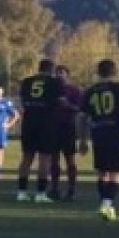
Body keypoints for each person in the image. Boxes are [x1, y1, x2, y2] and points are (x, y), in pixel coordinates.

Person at [76, 58, 119, 221]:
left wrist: (82, 140)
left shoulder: (90, 91)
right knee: (116, 171)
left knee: (102, 171)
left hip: (99, 132)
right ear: (114, 71)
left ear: (98, 72)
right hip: (116, 132)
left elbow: (81, 117)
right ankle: (107, 203)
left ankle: (104, 203)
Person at [15, 58, 63, 203]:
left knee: (26, 158)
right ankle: (40, 193)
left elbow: (22, 102)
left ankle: (21, 192)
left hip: (29, 122)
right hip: (46, 123)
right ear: (51, 70)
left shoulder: (27, 82)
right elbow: (60, 101)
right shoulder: (55, 82)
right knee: (44, 158)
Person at [48, 64, 84, 201]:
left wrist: (68, 105)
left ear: (67, 75)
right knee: (54, 159)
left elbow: (80, 109)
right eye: (57, 73)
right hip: (53, 127)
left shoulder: (74, 90)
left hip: (68, 128)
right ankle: (54, 188)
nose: (59, 75)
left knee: (70, 159)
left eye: (62, 73)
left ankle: (71, 188)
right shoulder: (51, 90)